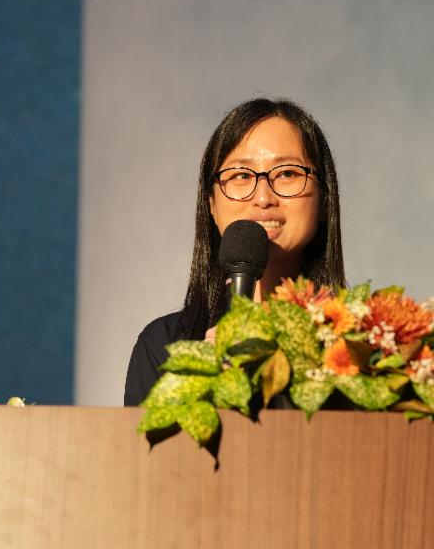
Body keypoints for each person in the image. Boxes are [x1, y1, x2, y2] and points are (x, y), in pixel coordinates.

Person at [123, 98, 345, 406]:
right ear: (211, 205)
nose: (263, 197)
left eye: (287, 173)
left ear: (324, 201)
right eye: (242, 176)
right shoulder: (163, 346)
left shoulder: (364, 349)